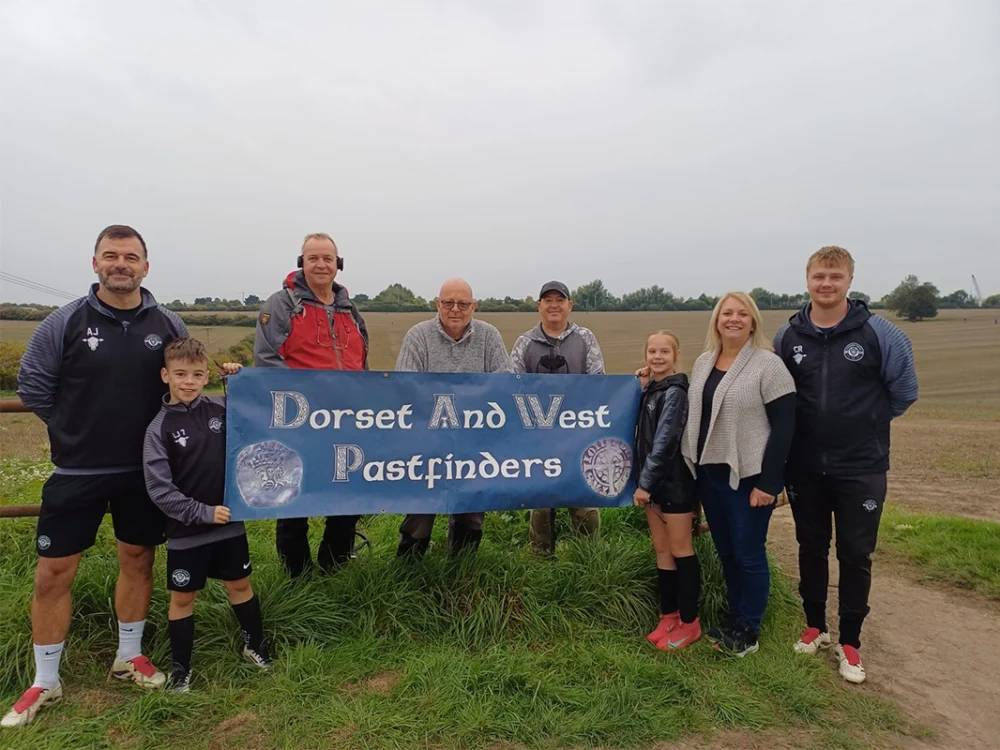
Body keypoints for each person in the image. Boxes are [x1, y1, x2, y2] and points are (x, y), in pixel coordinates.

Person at [4, 225, 187, 728]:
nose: (121, 264)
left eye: (131, 256)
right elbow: (35, 387)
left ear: (146, 267)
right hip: (77, 470)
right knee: (53, 573)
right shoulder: (64, 322)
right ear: (95, 264)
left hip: (144, 473)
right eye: (111, 255)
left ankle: (128, 656)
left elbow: (187, 380)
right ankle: (45, 680)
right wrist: (74, 428)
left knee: (138, 559)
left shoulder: (167, 322)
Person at [774, 246, 917, 684]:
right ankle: (815, 625)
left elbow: (904, 392)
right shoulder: (787, 336)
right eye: (819, 276)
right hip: (804, 467)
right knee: (811, 546)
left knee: (856, 553)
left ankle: (850, 641)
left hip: (862, 466)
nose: (826, 283)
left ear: (849, 281)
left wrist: (864, 424)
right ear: (807, 279)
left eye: (835, 276)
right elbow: (779, 398)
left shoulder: (881, 334)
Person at [143, 338, 271, 693]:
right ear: (165, 375)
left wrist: (236, 379)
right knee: (183, 598)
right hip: (186, 531)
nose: (189, 382)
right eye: (180, 374)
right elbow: (159, 490)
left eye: (197, 374)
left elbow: (253, 412)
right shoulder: (158, 429)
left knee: (240, 585)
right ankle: (181, 670)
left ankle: (255, 647)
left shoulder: (218, 408)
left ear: (205, 377)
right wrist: (201, 513)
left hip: (229, 523)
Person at [681, 292, 796, 657]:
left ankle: (750, 628)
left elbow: (784, 427)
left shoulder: (769, 365)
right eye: (726, 313)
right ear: (716, 320)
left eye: (741, 314)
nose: (733, 319)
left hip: (749, 476)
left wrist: (769, 483)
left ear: (753, 321)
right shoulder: (703, 362)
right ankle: (733, 617)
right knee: (726, 551)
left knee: (748, 552)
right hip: (709, 474)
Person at [254, 232, 369, 577]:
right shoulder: (281, 305)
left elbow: (361, 364)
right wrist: (309, 399)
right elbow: (266, 360)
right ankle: (297, 576)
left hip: (346, 422)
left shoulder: (351, 309)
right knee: (293, 498)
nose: (321, 264)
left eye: (327, 259)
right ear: (301, 263)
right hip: (298, 423)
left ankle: (334, 567)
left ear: (338, 265)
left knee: (346, 496)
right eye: (313, 258)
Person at [394, 277, 512, 557]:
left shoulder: (489, 335)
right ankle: (408, 573)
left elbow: (504, 381)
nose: (455, 309)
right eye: (448, 303)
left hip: (475, 441)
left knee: (471, 511)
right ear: (437, 304)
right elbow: (405, 385)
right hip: (428, 441)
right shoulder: (418, 335)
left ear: (474, 306)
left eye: (462, 303)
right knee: (422, 512)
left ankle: (462, 569)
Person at [509, 281, 604, 556]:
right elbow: (512, 386)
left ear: (569, 305)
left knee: (584, 501)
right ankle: (541, 561)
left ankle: (588, 559)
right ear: (539, 306)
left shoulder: (586, 339)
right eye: (547, 300)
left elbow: (598, 383)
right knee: (540, 503)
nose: (553, 305)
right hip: (538, 439)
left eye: (559, 300)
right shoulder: (524, 343)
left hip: (579, 436)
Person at [633, 331, 701, 650]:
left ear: (676, 355)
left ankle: (690, 622)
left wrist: (645, 483)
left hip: (672, 482)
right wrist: (642, 386)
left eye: (664, 351)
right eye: (651, 351)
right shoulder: (653, 389)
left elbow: (664, 442)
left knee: (680, 548)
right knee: (662, 550)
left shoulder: (676, 391)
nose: (657, 357)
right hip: (654, 484)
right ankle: (668, 615)